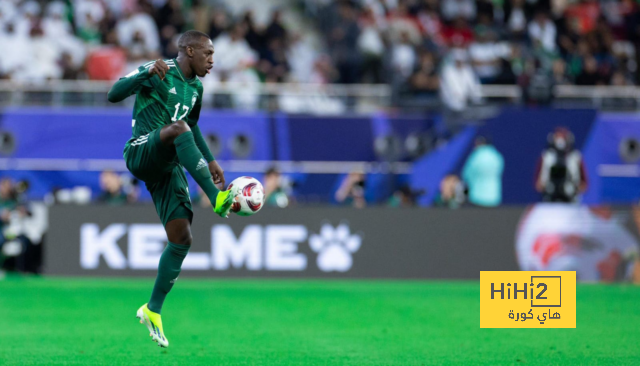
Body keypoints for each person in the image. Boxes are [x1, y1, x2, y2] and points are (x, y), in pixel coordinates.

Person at [107, 30, 237, 348]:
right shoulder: (159, 69)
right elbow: (113, 93)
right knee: (176, 129)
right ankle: (216, 197)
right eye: (207, 54)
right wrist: (144, 72)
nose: (212, 60)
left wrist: (210, 159)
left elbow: (190, 125)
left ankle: (153, 310)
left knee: (182, 237)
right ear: (189, 51)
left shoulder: (196, 88)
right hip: (140, 150)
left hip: (166, 165)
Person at [535, 127, 588, 202]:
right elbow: (538, 185)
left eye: (563, 137)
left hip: (571, 199)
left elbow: (584, 185)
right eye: (558, 136)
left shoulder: (575, 157)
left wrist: (574, 186)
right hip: (550, 199)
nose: (560, 140)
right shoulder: (546, 157)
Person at [462, 136, 504, 207]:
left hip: (477, 197)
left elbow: (466, 174)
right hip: (494, 197)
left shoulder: (476, 156)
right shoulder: (497, 156)